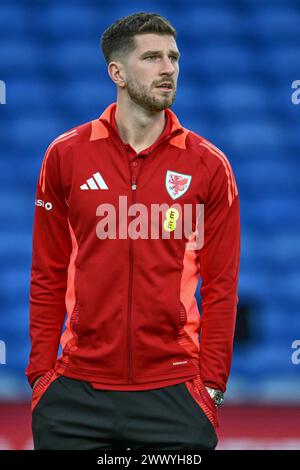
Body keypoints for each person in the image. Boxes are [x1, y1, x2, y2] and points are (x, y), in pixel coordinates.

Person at [26, 12, 241, 450]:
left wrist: (212, 382)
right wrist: (41, 376)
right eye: (152, 57)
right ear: (117, 73)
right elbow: (46, 274)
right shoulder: (65, 156)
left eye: (174, 57)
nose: (168, 68)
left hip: (175, 391)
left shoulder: (208, 165)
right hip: (75, 394)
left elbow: (221, 285)